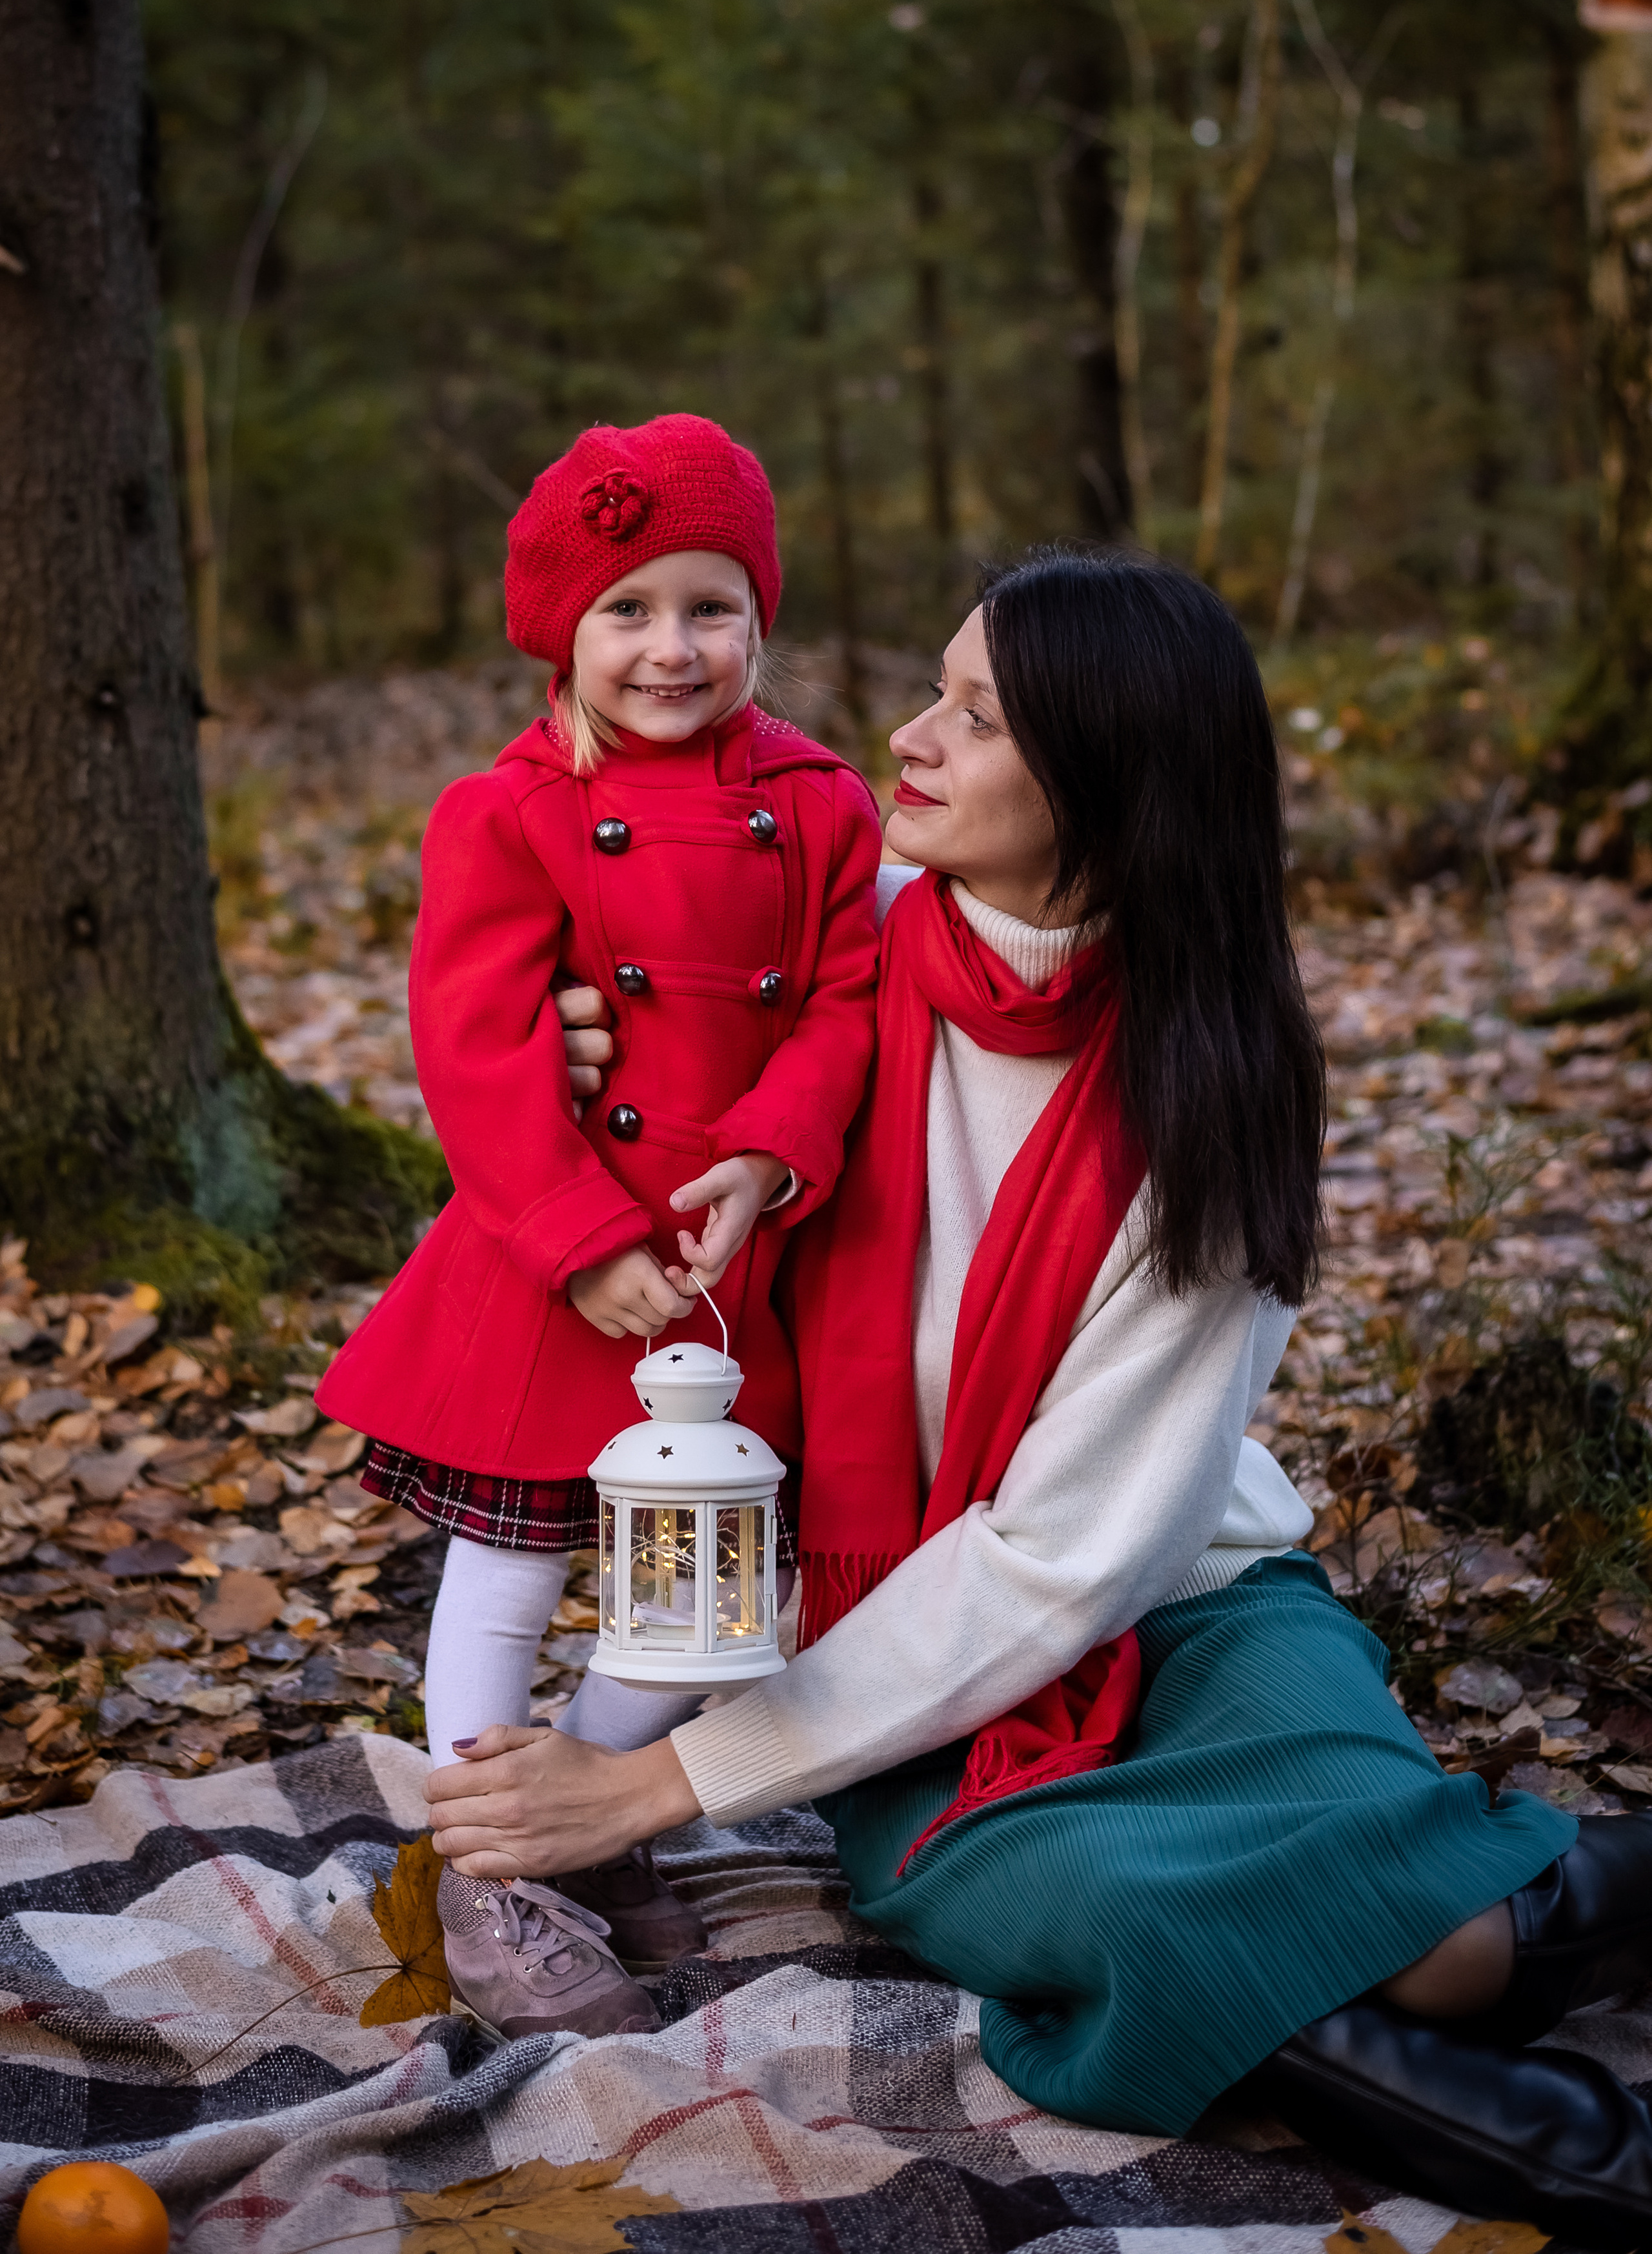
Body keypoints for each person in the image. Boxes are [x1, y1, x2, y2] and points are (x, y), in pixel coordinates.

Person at [427, 547, 1652, 2246]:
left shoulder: (1210, 1081)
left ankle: (1557, 1972)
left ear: (1104, 777)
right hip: (893, 1625)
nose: (911, 740)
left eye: (977, 717)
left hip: (1189, 1599)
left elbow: (1078, 1559)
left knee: (1418, 1922)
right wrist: (568, 1047)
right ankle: (1572, 2098)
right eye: (935, 690)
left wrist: (655, 1786)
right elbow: (605, 1033)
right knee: (1195, 1909)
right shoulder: (837, 964)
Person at [317, 412, 881, 2037]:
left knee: (708, 1597)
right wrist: (583, 1237)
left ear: (761, 617)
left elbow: (841, 1005)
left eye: (709, 605)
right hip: (551, 1264)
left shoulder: (824, 805)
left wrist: (771, 1153)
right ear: (558, 631)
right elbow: (478, 1049)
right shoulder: (507, 811)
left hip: (725, 1268)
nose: (669, 646)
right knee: (505, 1569)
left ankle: (575, 1795)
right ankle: (485, 1870)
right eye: (626, 610)